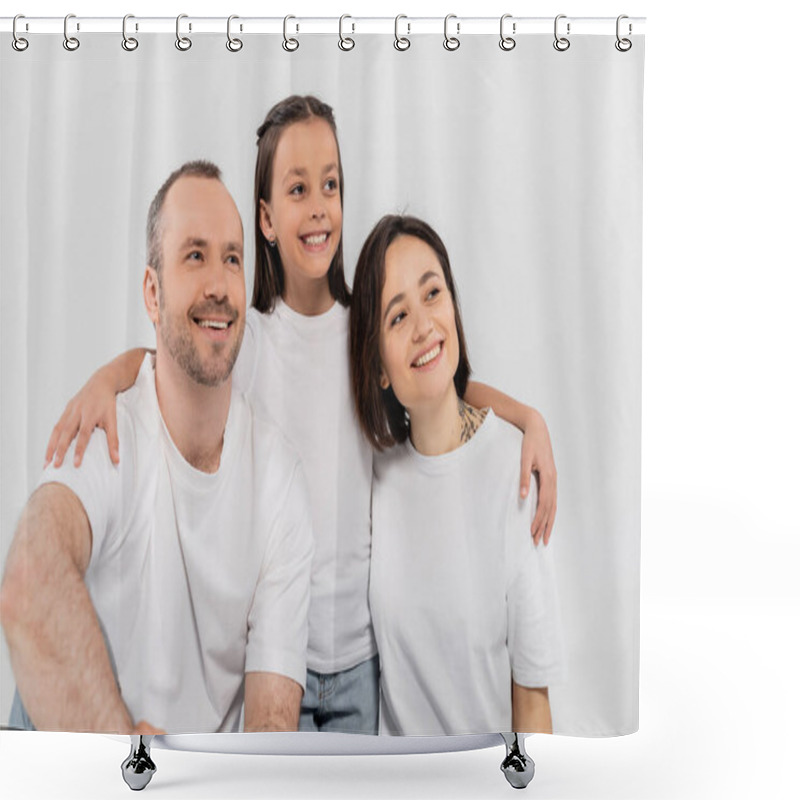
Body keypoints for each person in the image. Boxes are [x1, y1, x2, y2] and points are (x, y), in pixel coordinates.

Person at [39, 96, 558, 735]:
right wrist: (103, 381)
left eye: (331, 186)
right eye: (297, 189)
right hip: (271, 655)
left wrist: (528, 417)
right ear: (265, 218)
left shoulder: (365, 334)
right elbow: (162, 358)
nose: (318, 206)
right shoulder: (244, 336)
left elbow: (439, 378)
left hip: (362, 661)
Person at [0, 161, 314, 734]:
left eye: (232, 258)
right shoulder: (106, 430)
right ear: (152, 291)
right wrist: (128, 765)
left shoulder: (280, 480)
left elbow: (272, 728)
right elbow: (27, 578)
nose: (218, 285)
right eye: (194, 255)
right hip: (96, 757)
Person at [350, 215, 565, 736]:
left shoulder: (513, 471)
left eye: (432, 294)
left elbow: (532, 699)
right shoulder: (373, 478)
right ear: (378, 366)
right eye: (397, 317)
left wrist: (529, 419)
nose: (424, 325)